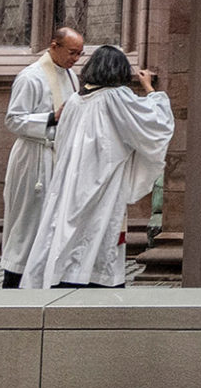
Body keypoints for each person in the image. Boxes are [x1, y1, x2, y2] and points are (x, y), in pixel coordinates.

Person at [22, 44, 175, 288]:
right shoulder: (115, 97)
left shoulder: (75, 100)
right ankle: (93, 280)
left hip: (70, 180)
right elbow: (154, 125)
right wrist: (150, 89)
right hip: (103, 179)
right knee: (98, 228)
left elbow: (61, 141)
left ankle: (64, 276)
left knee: (67, 228)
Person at [0, 27, 85, 288]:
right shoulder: (31, 77)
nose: (76, 59)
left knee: (52, 225)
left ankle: (45, 282)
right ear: (54, 45)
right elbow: (13, 120)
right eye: (72, 52)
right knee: (28, 224)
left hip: (59, 159)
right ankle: (14, 281)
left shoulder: (71, 77)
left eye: (80, 54)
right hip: (34, 160)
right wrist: (51, 118)